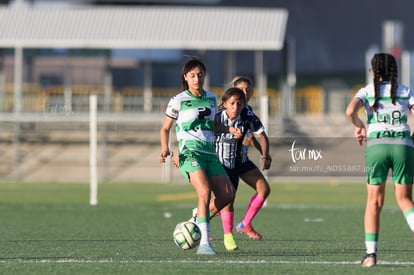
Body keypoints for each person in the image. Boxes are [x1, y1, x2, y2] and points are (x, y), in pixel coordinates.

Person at [159, 57, 234, 255]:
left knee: (227, 195)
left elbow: (213, 125)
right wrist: (165, 148)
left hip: (209, 152)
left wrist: (229, 129)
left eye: (200, 75)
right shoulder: (178, 100)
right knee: (204, 190)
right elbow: (165, 128)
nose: (196, 78)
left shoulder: (211, 98)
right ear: (185, 77)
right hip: (189, 152)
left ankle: (196, 219)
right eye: (192, 75)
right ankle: (205, 244)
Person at [345, 53, 414, 267]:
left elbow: (349, 111)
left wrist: (359, 126)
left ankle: (371, 255)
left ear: (373, 72)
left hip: (377, 147)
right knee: (404, 200)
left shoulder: (367, 91)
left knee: (374, 202)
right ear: (395, 71)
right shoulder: (406, 91)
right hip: (403, 146)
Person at [214, 78, 272, 251]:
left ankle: (245, 224)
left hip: (242, 160)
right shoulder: (219, 113)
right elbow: (210, 128)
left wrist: (264, 155)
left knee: (264, 189)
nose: (245, 93)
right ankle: (200, 220)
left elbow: (259, 135)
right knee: (226, 199)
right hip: (223, 161)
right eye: (241, 90)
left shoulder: (248, 113)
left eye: (248, 90)